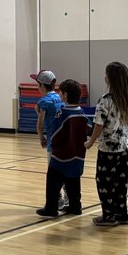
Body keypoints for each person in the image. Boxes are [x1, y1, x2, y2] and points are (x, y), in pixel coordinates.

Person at [85, 61, 128, 227]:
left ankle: (109, 215)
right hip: (124, 147)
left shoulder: (105, 100)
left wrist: (90, 142)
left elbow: (99, 124)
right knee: (120, 183)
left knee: (104, 182)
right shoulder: (127, 99)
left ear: (111, 78)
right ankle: (122, 213)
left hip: (108, 148)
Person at [37, 78, 88, 218]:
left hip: (61, 156)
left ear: (65, 95)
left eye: (60, 93)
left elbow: (56, 132)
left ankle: (51, 208)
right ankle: (75, 206)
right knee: (73, 181)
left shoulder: (62, 113)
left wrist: (53, 145)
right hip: (77, 155)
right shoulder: (81, 112)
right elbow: (88, 128)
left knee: (53, 182)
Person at [32, 69, 67, 209]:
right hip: (64, 140)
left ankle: (57, 200)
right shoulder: (60, 97)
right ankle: (69, 197)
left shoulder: (43, 102)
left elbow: (40, 124)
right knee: (65, 170)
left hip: (52, 142)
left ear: (41, 85)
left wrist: (41, 138)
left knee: (53, 172)